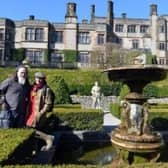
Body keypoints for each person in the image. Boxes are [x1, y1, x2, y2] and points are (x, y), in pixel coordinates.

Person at [26, 72, 54, 151]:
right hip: (30, 112)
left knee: (31, 130)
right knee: (30, 130)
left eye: (40, 78)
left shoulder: (46, 89)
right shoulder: (33, 88)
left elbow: (48, 104)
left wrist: (41, 113)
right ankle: (34, 150)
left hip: (37, 113)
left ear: (43, 80)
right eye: (37, 78)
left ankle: (48, 138)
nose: (38, 80)